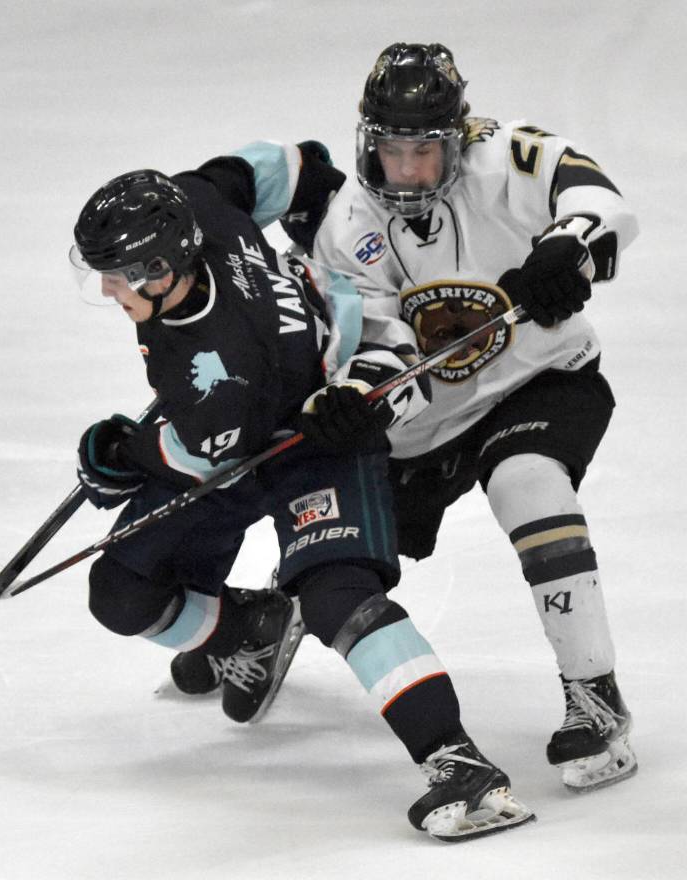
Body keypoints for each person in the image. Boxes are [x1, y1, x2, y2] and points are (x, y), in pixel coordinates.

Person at [68, 162, 534, 839]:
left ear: (164, 268)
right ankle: (248, 633)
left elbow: (193, 453)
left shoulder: (224, 371)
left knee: (336, 597)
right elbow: (291, 163)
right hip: (248, 429)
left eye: (119, 273)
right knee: (121, 591)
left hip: (325, 428)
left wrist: (115, 454)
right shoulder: (198, 203)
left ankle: (458, 761)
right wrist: (325, 218)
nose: (108, 288)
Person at [227, 41, 639, 793]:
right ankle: (278, 610)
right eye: (391, 149)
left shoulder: (508, 158)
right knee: (342, 552)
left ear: (457, 137)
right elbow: (382, 343)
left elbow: (604, 202)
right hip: (430, 423)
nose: (407, 169)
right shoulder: (346, 225)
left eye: (424, 149)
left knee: (528, 482)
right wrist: (364, 403)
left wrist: (566, 249)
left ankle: (596, 694)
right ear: (367, 140)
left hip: (542, 381)